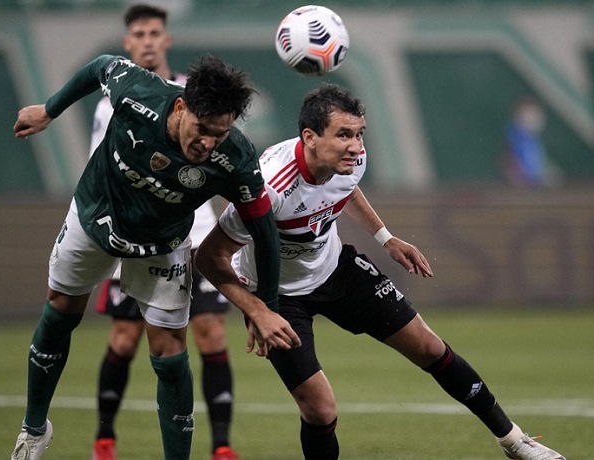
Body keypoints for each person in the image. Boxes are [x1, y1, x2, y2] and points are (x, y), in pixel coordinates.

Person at [195, 84, 566, 460]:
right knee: (320, 410)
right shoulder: (268, 188)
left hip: (335, 270)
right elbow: (209, 258)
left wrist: (386, 237)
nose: (356, 146)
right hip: (276, 296)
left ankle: (515, 441)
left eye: (359, 134)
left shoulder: (352, 159)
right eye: (344, 135)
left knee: (429, 347)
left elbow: (348, 189)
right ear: (309, 137)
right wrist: (257, 311)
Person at [10, 52, 301, 460]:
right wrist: (49, 109)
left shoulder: (235, 157)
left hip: (162, 243)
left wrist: (265, 307)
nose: (207, 143)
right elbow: (100, 66)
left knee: (169, 351)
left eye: (219, 133)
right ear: (181, 107)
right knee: (60, 311)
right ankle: (34, 430)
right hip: (97, 216)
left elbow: (264, 229)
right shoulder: (138, 91)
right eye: (201, 128)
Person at [88, 5, 239, 460]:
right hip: (135, 236)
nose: (149, 40)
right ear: (128, 44)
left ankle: (223, 447)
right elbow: (104, 171)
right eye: (139, 34)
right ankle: (104, 438)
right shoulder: (111, 103)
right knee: (125, 339)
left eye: (156, 32)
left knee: (211, 332)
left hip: (195, 233)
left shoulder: (196, 99)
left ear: (167, 39)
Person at [502, 95, 560, 187]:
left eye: (536, 114)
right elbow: (517, 171)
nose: (533, 118)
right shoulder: (515, 138)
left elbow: (539, 166)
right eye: (528, 114)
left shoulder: (534, 140)